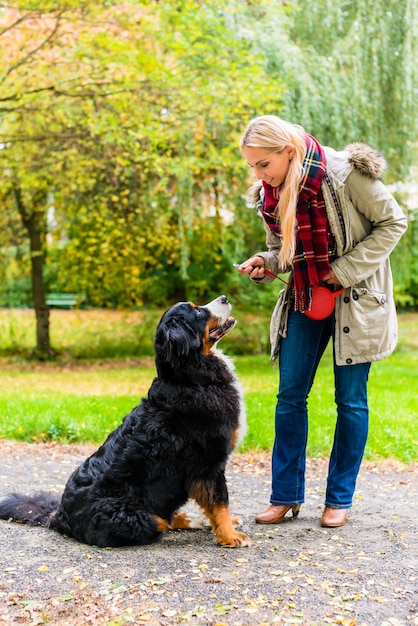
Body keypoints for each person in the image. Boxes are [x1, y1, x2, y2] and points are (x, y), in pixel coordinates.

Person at [235, 115, 407, 528]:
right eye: (252, 166)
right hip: (304, 297)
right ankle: (285, 497)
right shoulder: (271, 193)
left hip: (357, 299)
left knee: (350, 401)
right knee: (290, 397)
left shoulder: (347, 174)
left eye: (263, 164)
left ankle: (339, 499)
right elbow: (283, 250)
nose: (258, 175)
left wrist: (344, 270)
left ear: (288, 152)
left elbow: (394, 222)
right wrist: (267, 261)